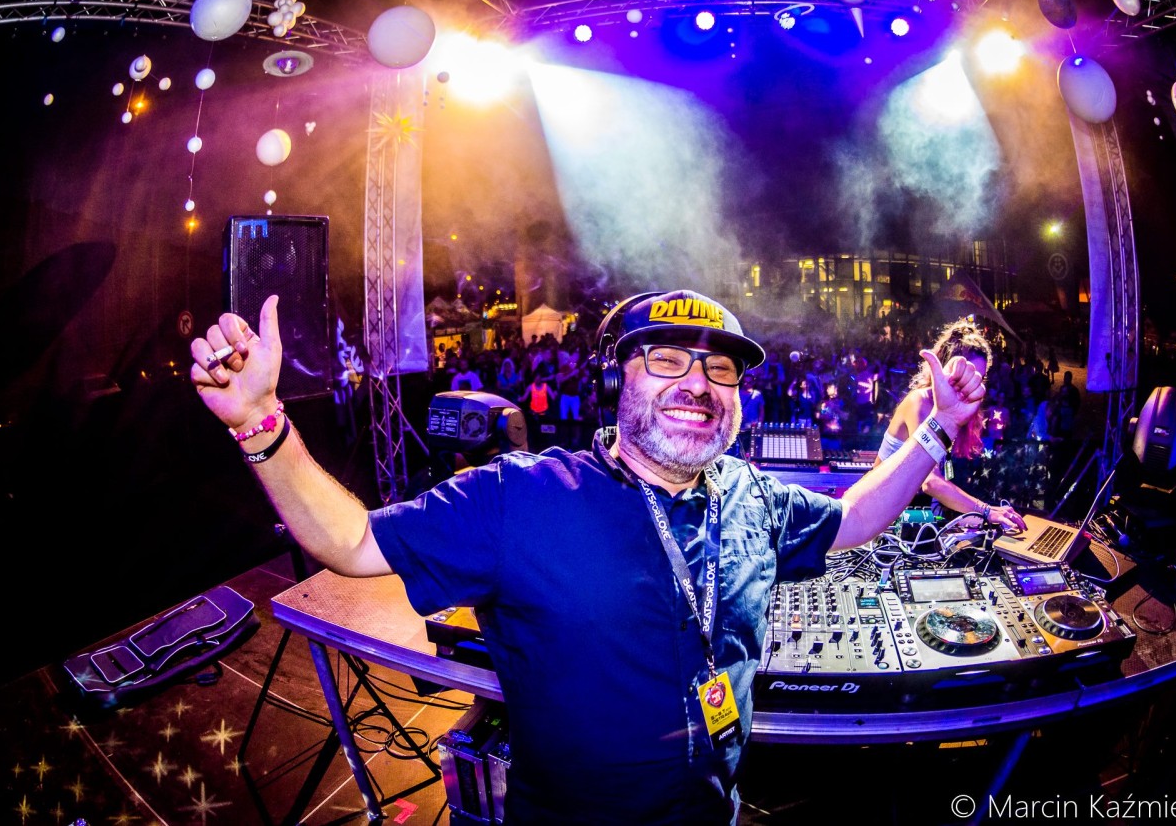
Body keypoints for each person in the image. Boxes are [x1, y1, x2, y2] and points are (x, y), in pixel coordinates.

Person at [190, 288, 987, 825]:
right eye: (667, 358)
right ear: (617, 382)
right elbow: (350, 540)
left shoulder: (753, 494)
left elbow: (854, 517)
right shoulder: (522, 496)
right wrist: (262, 423)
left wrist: (938, 428)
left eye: (720, 368)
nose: (699, 383)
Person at [873, 318, 1027, 533]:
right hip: (879, 518)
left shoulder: (954, 411)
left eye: (979, 378)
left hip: (912, 518)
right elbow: (930, 482)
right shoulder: (920, 402)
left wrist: (983, 517)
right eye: (967, 375)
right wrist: (986, 511)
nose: (972, 384)